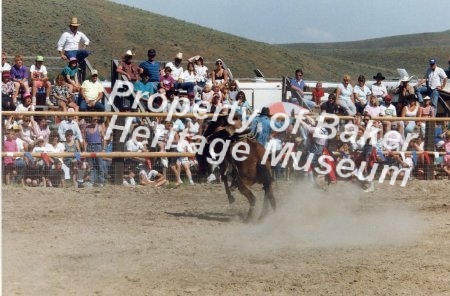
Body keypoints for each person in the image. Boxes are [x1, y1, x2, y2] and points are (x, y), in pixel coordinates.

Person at [83, 116, 106, 187]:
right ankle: (92, 181)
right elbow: (85, 140)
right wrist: (85, 150)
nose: (96, 121)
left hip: (98, 146)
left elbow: (104, 138)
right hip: (90, 146)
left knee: (100, 165)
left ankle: (100, 182)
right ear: (91, 119)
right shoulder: (86, 128)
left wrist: (103, 149)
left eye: (97, 119)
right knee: (91, 166)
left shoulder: (99, 127)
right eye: (94, 119)